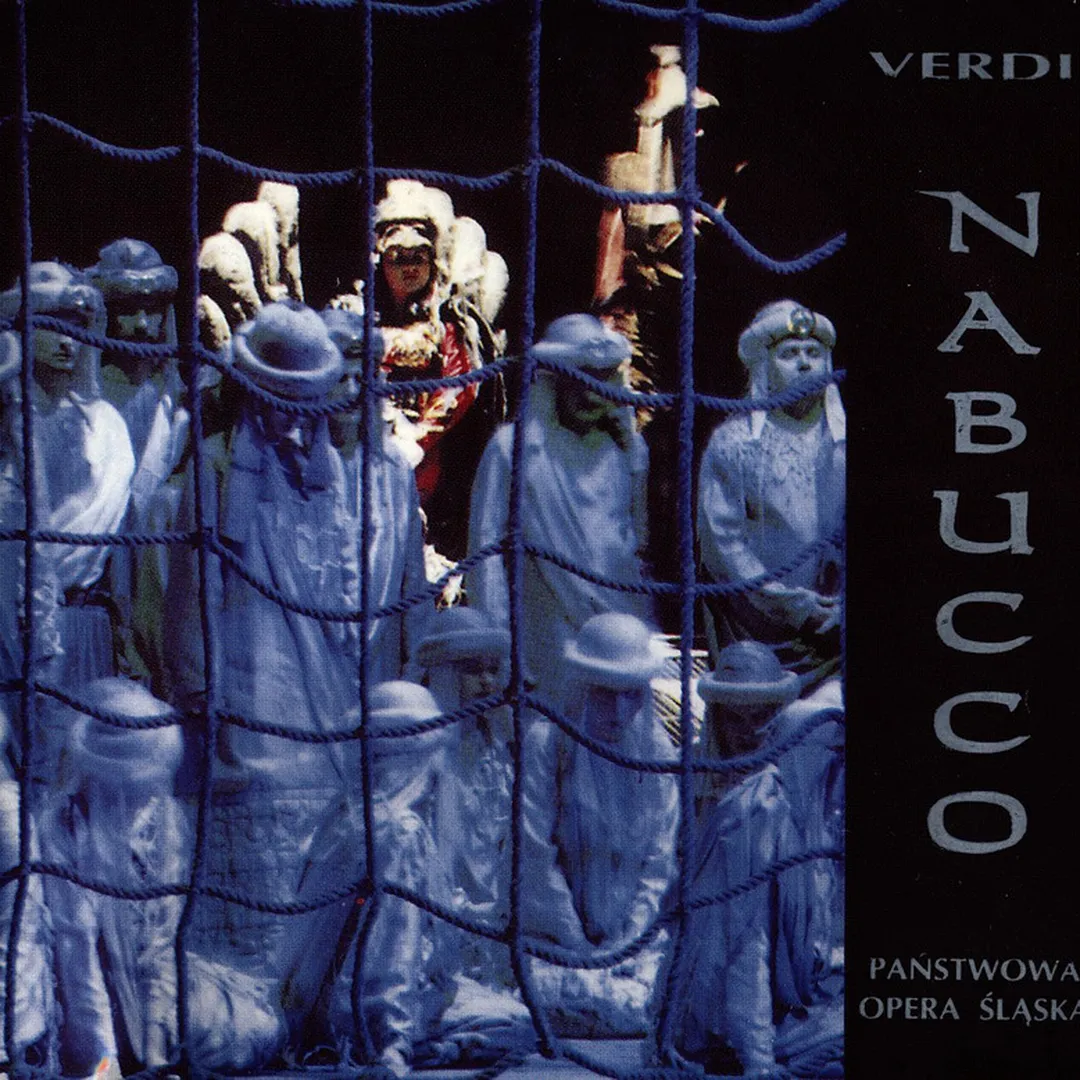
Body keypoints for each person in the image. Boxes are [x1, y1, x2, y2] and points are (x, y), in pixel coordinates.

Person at [164, 301, 364, 1051]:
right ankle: (249, 1007)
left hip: (320, 693)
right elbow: (190, 593)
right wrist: (200, 690)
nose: (293, 418)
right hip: (246, 686)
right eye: (281, 400)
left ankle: (308, 1001)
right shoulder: (218, 467)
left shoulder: (327, 470)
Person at [676, 640, 842, 1078]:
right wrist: (759, 1060)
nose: (749, 733)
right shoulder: (748, 807)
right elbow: (747, 946)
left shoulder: (799, 789)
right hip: (732, 1005)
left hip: (787, 985)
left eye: (761, 717)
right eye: (735, 718)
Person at [467, 313, 652, 698]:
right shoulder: (513, 450)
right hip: (545, 634)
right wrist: (500, 642)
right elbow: (485, 554)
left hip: (618, 627)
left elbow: (638, 543)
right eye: (580, 378)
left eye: (603, 379)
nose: (591, 394)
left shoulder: (624, 452)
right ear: (553, 380)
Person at [522, 612, 678, 1036]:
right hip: (553, 941)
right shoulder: (547, 743)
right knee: (539, 992)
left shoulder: (658, 751)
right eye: (606, 695)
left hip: (633, 945)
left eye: (632, 695)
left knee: (662, 993)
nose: (620, 711)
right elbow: (536, 853)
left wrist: (626, 942)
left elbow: (659, 862)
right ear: (583, 686)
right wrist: (576, 944)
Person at [36, 678, 187, 1078]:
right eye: (137, 786)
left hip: (144, 999)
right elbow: (78, 957)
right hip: (83, 1007)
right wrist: (107, 1064)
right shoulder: (64, 829)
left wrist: (155, 1049)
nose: (148, 794)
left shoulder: (160, 819)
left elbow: (162, 940)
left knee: (255, 1029)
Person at [0, 263, 135, 688]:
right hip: (12, 620)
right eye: (51, 325)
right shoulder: (8, 427)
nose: (66, 340)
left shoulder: (107, 428)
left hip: (88, 622)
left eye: (75, 326)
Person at [697, 299, 845, 683]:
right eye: (790, 354)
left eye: (813, 353)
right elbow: (723, 545)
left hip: (838, 631)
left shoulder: (846, 444)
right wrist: (792, 608)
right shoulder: (733, 444)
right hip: (755, 630)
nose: (804, 364)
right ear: (765, 365)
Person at [372, 180, 506, 559]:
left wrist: (416, 439)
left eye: (418, 256)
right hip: (373, 445)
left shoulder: (449, 320)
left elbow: (460, 386)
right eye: (398, 257)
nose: (409, 267)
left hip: (427, 454)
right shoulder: (360, 314)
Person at [87, 238, 189, 687]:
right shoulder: (87, 402)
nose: (143, 326)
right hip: (97, 577)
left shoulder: (181, 399)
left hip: (162, 579)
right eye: (128, 312)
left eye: (153, 311)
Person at [320, 307, 430, 684]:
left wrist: (418, 668)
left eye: (361, 378)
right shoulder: (291, 470)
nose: (352, 391)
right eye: (339, 378)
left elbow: (413, 581)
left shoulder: (395, 470)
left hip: (379, 670)